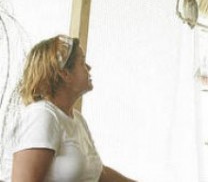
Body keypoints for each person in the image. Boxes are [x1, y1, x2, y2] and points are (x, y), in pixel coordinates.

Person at [2, 35, 138, 182]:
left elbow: (97, 174)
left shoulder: (77, 119)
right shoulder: (42, 116)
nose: (89, 67)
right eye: (82, 62)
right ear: (65, 74)